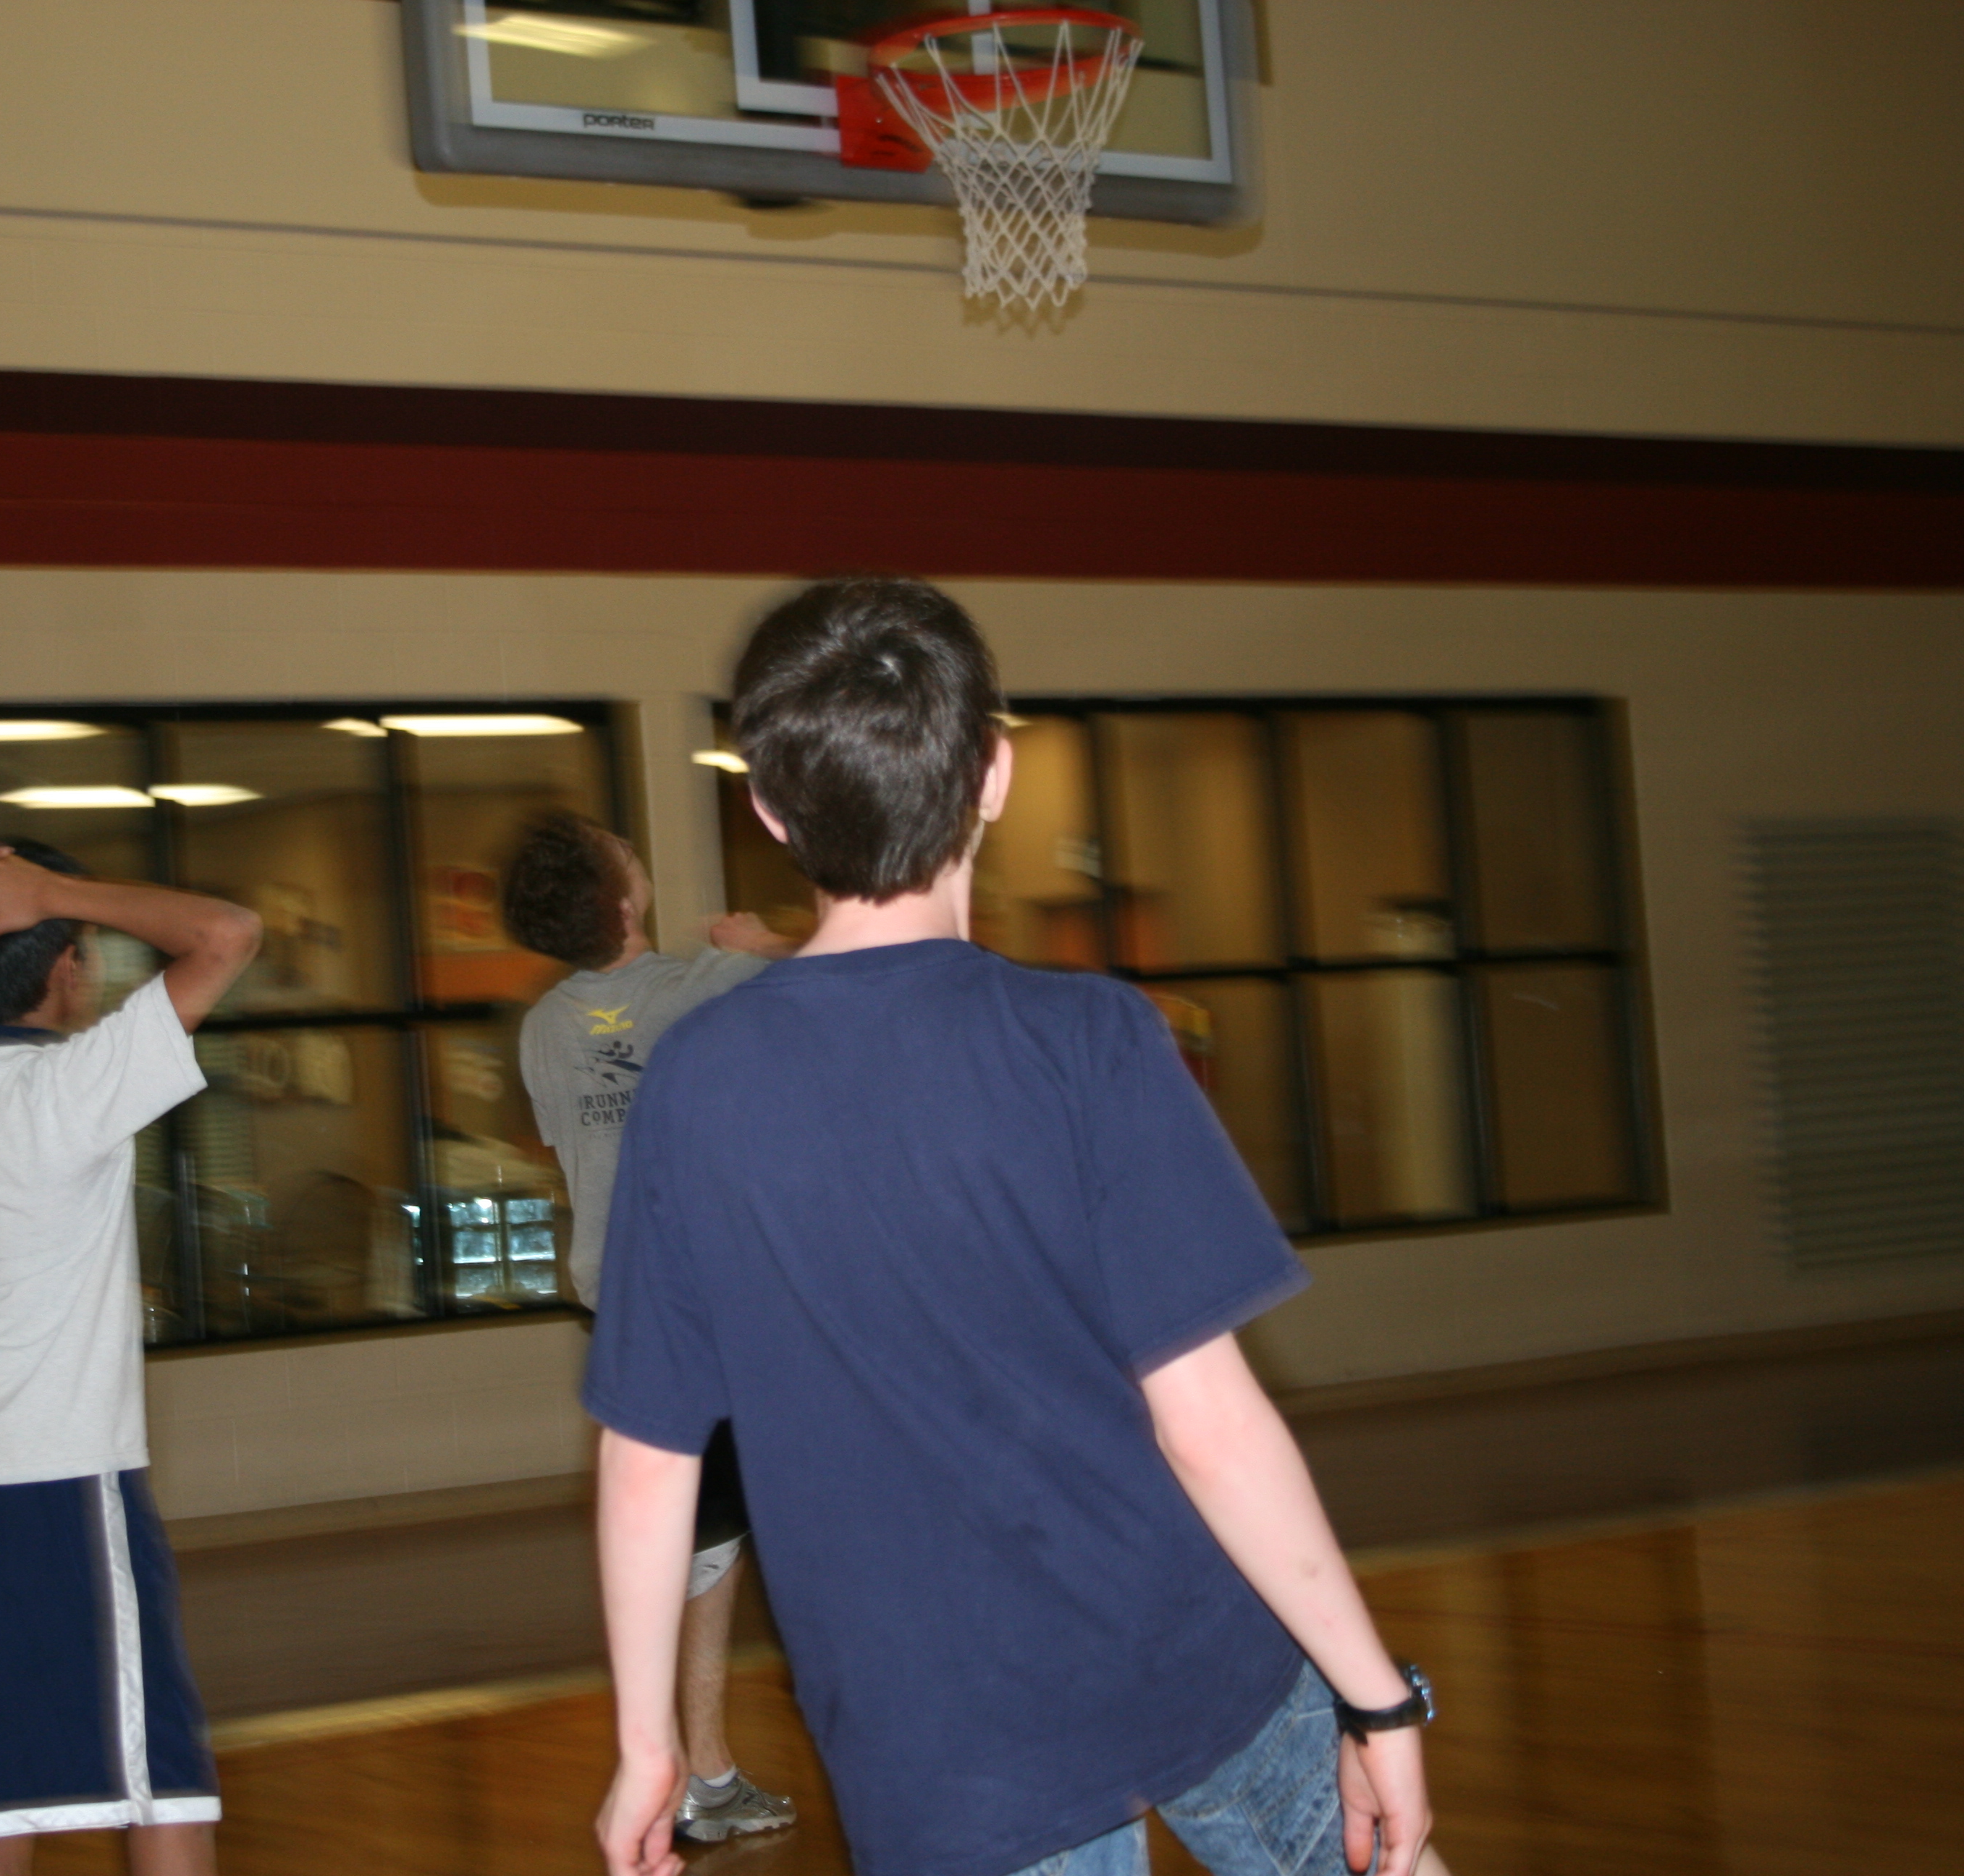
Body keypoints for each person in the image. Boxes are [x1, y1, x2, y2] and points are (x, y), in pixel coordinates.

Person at [583, 579, 1438, 1876]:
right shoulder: (1089, 1039)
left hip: (942, 1749)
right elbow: (1210, 1424)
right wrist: (1374, 1699)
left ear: (768, 810)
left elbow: (650, 1459)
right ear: (994, 774)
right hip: (1195, 1652)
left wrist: (648, 1742)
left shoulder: (696, 1085)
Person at [0, 837, 261, 1876]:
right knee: (163, 1776)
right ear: (67, 966)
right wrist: (46, 891)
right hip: (63, 1484)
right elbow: (228, 933)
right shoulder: (71, 1088)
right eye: (82, 946)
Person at [501, 813, 797, 1843]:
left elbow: (580, 1139)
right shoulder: (709, 985)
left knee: (701, 1544)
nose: (633, 850)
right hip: (715, 1314)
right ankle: (698, 1775)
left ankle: (700, 1772)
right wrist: (763, 944)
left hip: (619, 1316)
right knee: (737, 1543)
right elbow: (858, 963)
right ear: (622, 900)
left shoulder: (543, 1030)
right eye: (620, 850)